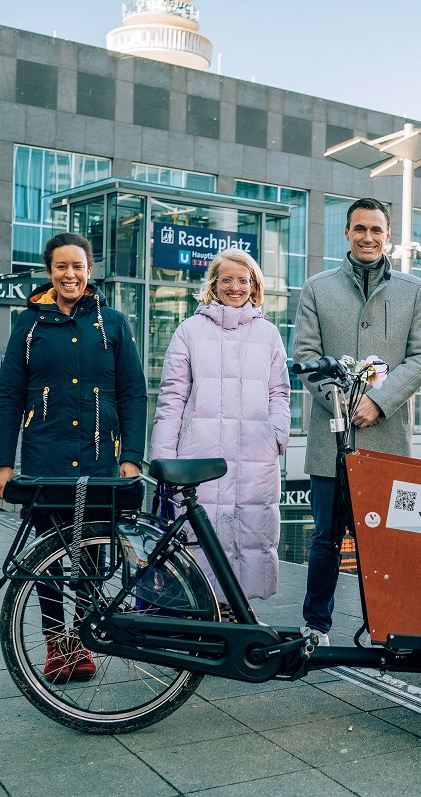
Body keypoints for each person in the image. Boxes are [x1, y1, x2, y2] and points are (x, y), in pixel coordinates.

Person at [0, 232, 147, 683]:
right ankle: (57, 646)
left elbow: (133, 393)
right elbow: (10, 396)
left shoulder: (112, 323)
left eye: (77, 266)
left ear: (89, 269)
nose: (70, 274)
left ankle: (85, 639)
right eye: (61, 267)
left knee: (93, 555)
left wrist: (132, 458)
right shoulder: (29, 325)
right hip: (46, 457)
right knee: (48, 557)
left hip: (100, 459)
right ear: (49, 271)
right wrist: (3, 464)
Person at [293, 197, 421, 644]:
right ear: (347, 234)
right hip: (328, 440)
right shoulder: (318, 287)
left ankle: (393, 628)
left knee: (388, 544)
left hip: (387, 441)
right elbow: (306, 357)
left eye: (376, 230)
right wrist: (342, 401)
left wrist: (379, 400)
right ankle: (315, 626)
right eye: (360, 229)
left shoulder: (413, 291)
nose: (368, 237)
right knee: (324, 540)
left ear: (387, 235)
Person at [150, 249, 290, 609]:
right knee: (202, 536)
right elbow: (172, 397)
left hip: (255, 455)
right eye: (227, 279)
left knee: (250, 533)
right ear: (213, 283)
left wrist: (278, 433)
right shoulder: (189, 331)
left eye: (243, 280)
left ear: (254, 286)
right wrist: (164, 457)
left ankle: (237, 617)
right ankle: (205, 616)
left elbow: (280, 391)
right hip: (202, 454)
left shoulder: (269, 334)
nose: (235, 287)